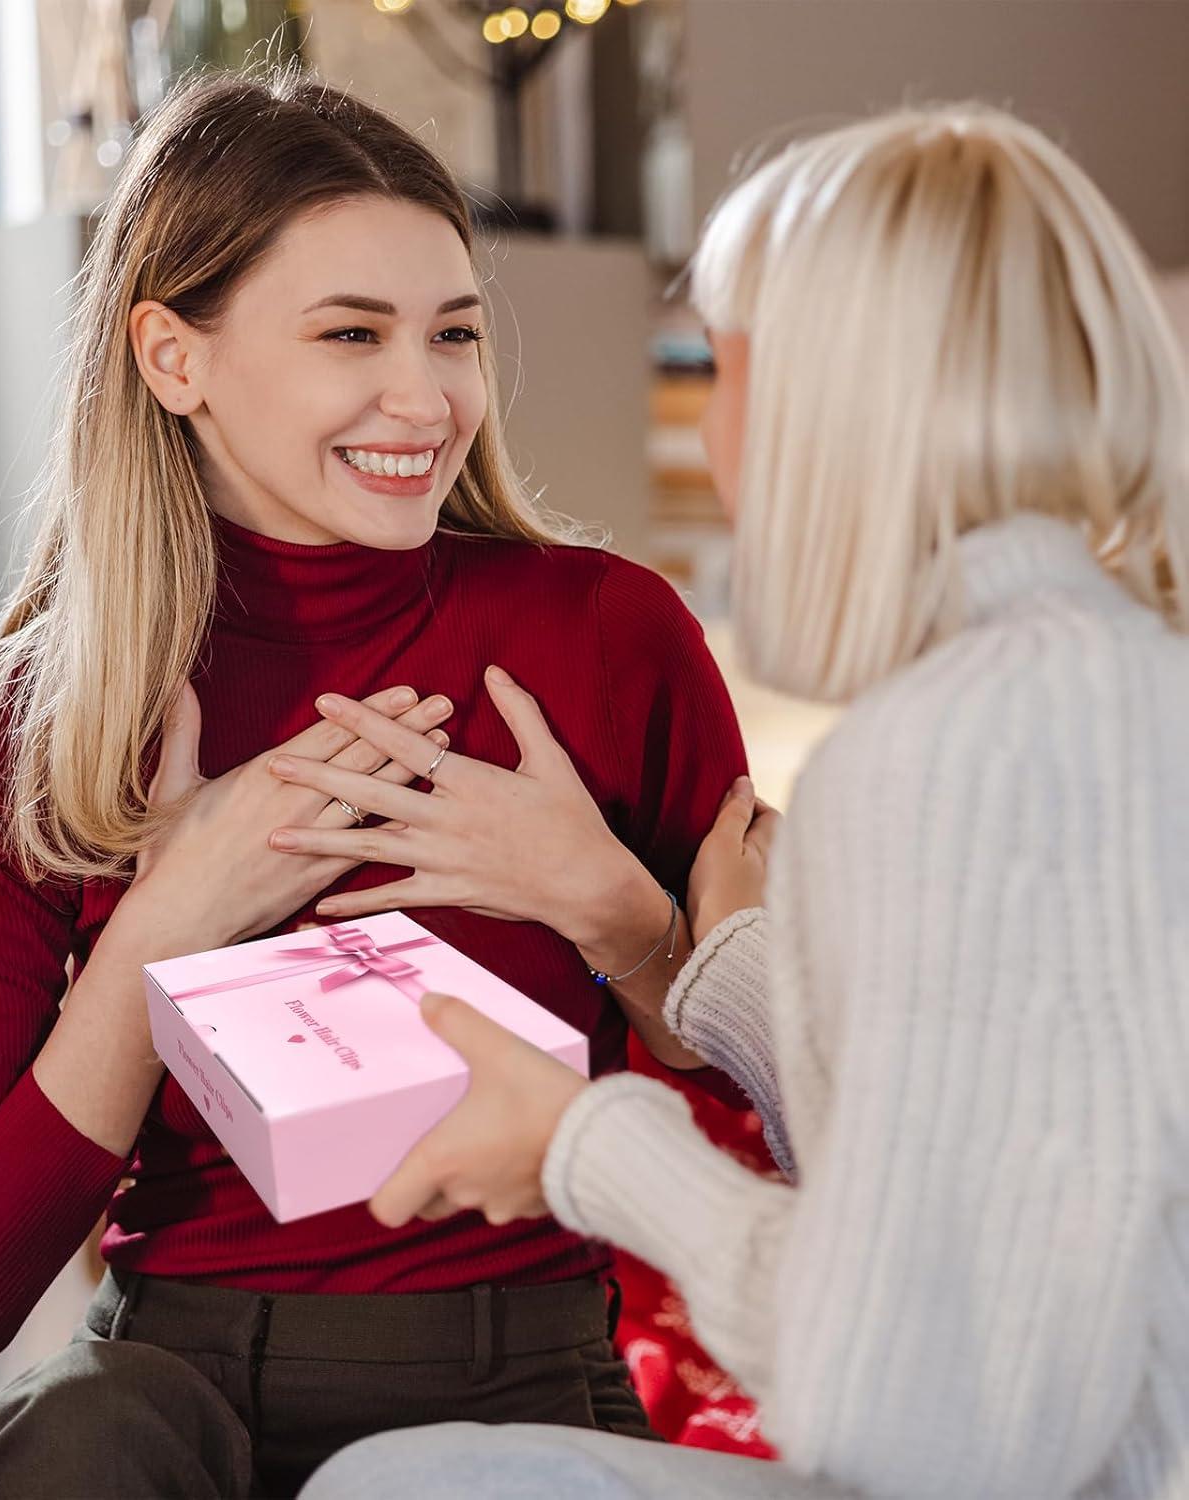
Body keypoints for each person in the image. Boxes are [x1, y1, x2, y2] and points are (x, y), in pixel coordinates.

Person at [0, 66, 754, 1498]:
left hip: (534, 1373)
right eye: (352, 333)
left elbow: (775, 1123)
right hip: (168, 1392)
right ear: (174, 358)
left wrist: (612, 913)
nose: (428, 397)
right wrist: (162, 932)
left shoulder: (609, 637)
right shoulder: (10, 734)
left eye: (454, 333)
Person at [302, 105, 1189, 1499]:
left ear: (823, 403)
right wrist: (710, 965)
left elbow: (916, 1409)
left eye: (719, 367)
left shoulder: (946, 751)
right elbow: (1005, 1162)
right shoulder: (1118, 682)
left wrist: (583, 1142)